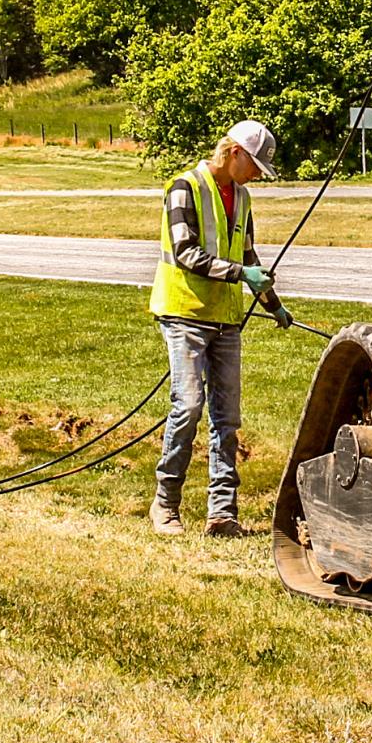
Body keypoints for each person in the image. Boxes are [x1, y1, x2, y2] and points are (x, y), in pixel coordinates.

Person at [149, 118, 292, 538]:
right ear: (235, 154)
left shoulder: (242, 198)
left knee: (226, 420)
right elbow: (187, 252)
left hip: (226, 319)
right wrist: (242, 275)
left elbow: (248, 255)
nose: (256, 177)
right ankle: (165, 504)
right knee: (189, 406)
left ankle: (222, 514)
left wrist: (274, 304)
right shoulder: (184, 188)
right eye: (254, 167)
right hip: (184, 313)